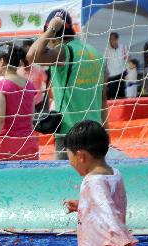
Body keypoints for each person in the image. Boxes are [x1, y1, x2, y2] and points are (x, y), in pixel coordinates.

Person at [28, 10, 106, 160]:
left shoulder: (64, 51)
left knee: (68, 181)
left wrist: (50, 29)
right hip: (95, 131)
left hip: (70, 132)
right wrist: (105, 133)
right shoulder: (97, 54)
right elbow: (103, 99)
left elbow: (31, 56)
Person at [0, 44, 39, 162]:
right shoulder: (29, 85)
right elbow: (30, 118)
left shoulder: (0, 86)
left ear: (2, 61)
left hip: (5, 147)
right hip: (29, 144)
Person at [20, 40, 49, 110]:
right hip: (24, 104)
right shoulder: (18, 72)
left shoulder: (38, 69)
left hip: (38, 103)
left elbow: (47, 82)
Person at [104, 32, 128, 99]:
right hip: (111, 76)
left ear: (117, 39)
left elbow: (127, 60)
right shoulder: (107, 50)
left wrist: (127, 73)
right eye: (110, 39)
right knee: (112, 96)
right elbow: (105, 63)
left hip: (121, 74)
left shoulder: (123, 47)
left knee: (121, 95)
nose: (111, 41)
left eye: (113, 39)